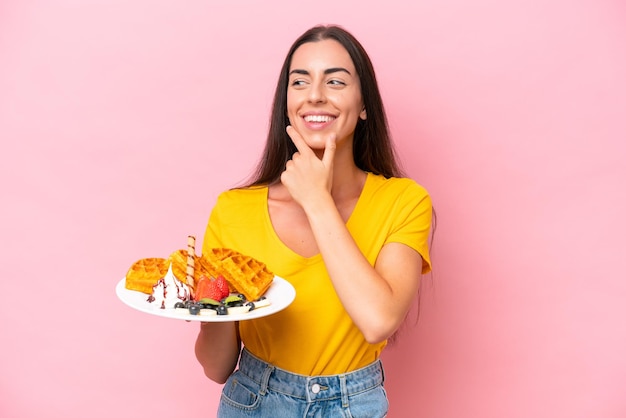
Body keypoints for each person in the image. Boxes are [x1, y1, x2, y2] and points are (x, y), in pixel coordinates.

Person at [195, 24, 433, 417]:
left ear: (364, 105)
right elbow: (216, 366)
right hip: (253, 401)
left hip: (353, 405)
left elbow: (378, 321)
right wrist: (209, 307)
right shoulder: (233, 210)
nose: (315, 96)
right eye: (299, 82)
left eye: (336, 81)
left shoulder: (404, 202)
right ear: (287, 102)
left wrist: (317, 200)